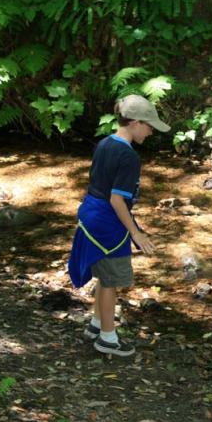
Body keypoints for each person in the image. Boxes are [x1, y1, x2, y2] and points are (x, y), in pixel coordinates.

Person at [68, 95, 170, 356]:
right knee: (111, 281)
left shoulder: (104, 143)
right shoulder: (129, 157)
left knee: (104, 276)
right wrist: (135, 232)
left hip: (91, 213)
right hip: (107, 223)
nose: (150, 132)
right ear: (135, 123)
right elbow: (116, 199)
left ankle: (96, 324)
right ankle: (107, 339)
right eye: (149, 127)